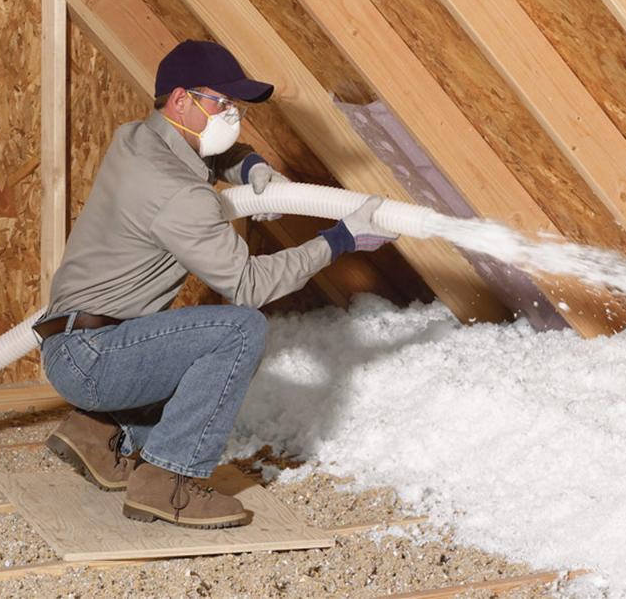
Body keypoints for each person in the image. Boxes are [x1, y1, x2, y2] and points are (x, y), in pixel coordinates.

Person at [34, 39, 396, 529]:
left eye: (236, 107)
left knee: (185, 337)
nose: (233, 117)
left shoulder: (136, 138)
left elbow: (199, 154)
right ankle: (167, 482)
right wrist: (339, 239)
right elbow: (248, 285)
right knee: (240, 329)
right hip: (96, 360)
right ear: (181, 99)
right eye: (222, 104)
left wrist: (250, 166)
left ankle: (94, 431)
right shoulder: (180, 194)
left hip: (77, 346)